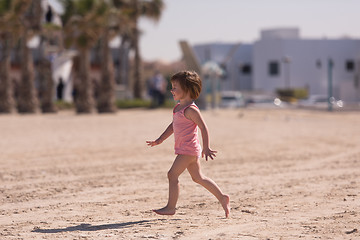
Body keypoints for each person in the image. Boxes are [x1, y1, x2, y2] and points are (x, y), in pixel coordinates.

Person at [146, 70, 230, 218]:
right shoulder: (178, 108)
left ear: (188, 89)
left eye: (175, 87)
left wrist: (206, 147)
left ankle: (170, 207)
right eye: (172, 87)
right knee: (198, 178)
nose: (171, 90)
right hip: (186, 149)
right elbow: (173, 126)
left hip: (188, 150)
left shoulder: (191, 109)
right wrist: (160, 139)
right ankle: (222, 197)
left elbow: (203, 127)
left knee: (172, 174)